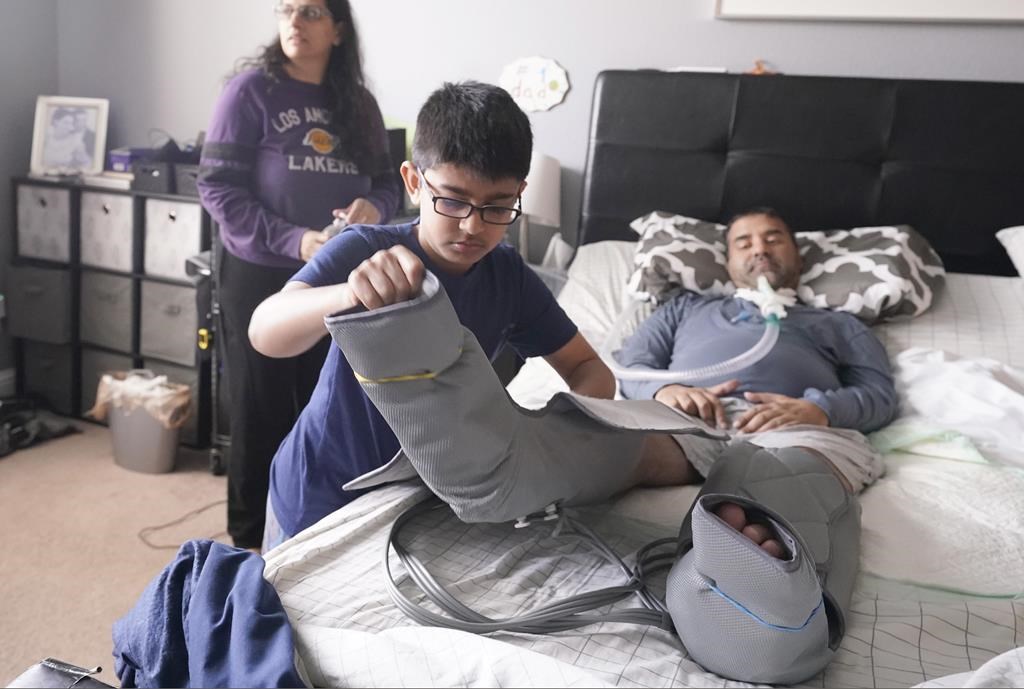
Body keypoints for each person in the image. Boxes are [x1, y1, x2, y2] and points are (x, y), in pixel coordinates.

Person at [248, 80, 615, 551]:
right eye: (453, 200)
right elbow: (265, 330)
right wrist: (348, 293)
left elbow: (591, 370)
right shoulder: (367, 248)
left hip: (417, 502)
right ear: (414, 181)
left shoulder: (508, 277)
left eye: (498, 206)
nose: (472, 226)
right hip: (318, 490)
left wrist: (545, 433)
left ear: (519, 193)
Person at [197, 0, 401, 550]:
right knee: (258, 407)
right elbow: (216, 186)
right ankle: (248, 542)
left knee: (326, 405)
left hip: (334, 277)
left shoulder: (358, 103)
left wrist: (375, 207)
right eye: (285, 9)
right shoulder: (250, 92)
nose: (294, 21)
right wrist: (295, 240)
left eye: (310, 12)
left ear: (337, 29)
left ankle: (309, 534)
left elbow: (389, 184)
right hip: (259, 272)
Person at [616, 207, 899, 556]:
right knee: (611, 449)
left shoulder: (839, 324)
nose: (760, 249)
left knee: (791, 480)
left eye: (773, 239)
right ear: (728, 261)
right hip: (690, 422)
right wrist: (665, 390)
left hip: (796, 429)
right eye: (744, 243)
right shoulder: (683, 309)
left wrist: (821, 409)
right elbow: (630, 366)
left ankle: (756, 541)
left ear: (798, 257)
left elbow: (880, 395)